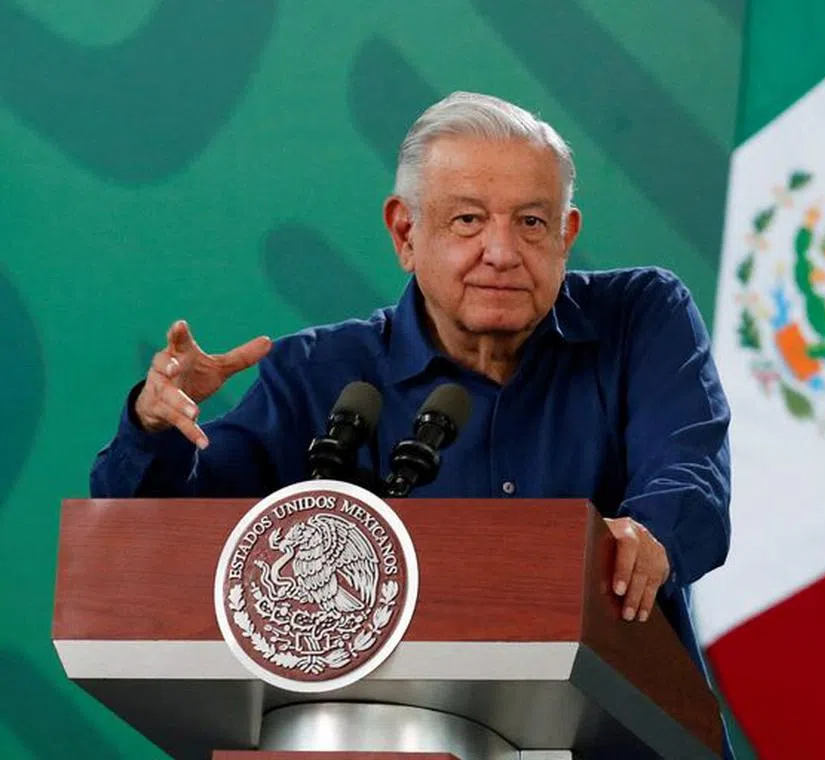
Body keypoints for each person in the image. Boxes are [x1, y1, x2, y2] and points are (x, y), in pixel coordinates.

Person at [90, 91, 733, 756]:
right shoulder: (321, 373)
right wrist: (156, 426)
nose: (502, 251)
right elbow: (159, 539)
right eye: (467, 220)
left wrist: (648, 535)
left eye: (532, 223)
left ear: (567, 235)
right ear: (405, 233)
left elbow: (693, 481)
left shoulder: (640, 317)